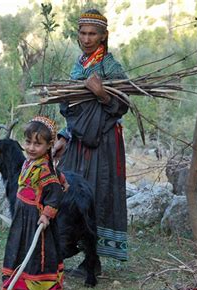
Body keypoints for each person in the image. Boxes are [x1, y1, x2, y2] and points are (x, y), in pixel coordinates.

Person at [53, 9, 129, 268]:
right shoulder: (79, 64)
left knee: (98, 190)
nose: (86, 38)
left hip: (104, 142)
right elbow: (74, 109)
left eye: (92, 34)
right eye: (83, 33)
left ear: (103, 36)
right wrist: (64, 135)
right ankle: (69, 245)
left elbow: (122, 105)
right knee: (71, 190)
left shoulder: (111, 66)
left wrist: (103, 95)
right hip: (77, 142)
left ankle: (93, 258)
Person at [2, 116, 64, 290]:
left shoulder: (45, 169)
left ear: (49, 146)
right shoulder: (29, 163)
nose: (31, 147)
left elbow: (55, 193)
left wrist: (47, 215)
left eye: (38, 144)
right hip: (22, 220)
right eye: (28, 142)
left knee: (36, 257)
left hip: (37, 223)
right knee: (20, 253)